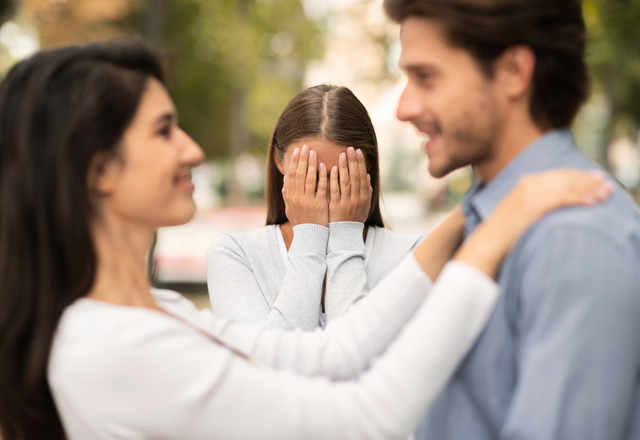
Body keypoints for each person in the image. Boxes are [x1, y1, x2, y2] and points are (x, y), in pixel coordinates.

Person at [0, 41, 611, 440]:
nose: (192, 148)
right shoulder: (116, 342)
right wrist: (491, 238)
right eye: (164, 132)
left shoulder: (154, 312)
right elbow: (359, 417)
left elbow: (331, 354)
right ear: (98, 169)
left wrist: (474, 213)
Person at [382, 0, 640, 439]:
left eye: (425, 77)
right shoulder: (480, 222)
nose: (404, 108)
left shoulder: (572, 239)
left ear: (514, 72)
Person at [206, 84, 425, 330]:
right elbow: (263, 360)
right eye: (310, 175)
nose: (325, 193)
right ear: (279, 161)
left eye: (341, 176)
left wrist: (346, 233)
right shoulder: (235, 254)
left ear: (368, 166)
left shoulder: (415, 255)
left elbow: (349, 351)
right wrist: (309, 236)